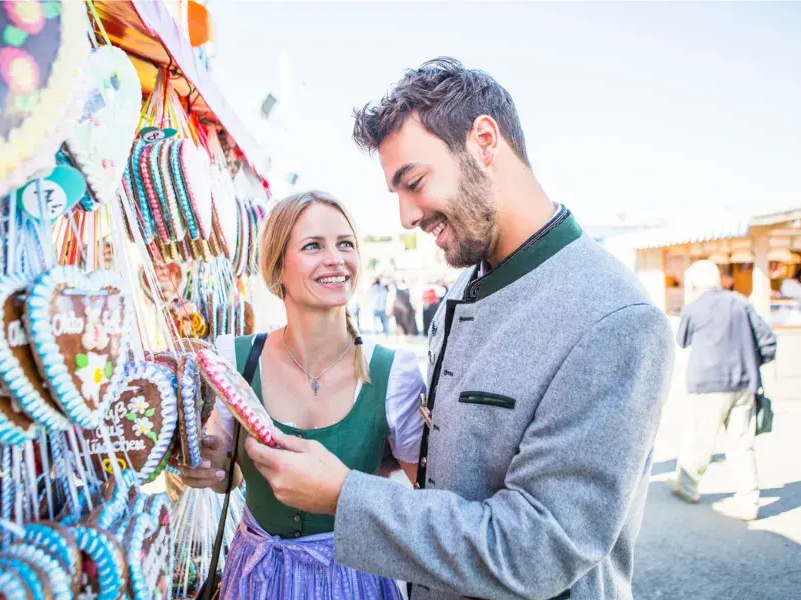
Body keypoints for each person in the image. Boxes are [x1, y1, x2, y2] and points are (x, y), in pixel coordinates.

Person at [242, 58, 674, 600]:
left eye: (414, 182)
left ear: (485, 142)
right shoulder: (461, 288)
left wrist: (344, 496)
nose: (404, 217)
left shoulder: (614, 319)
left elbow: (537, 549)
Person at [181, 191, 426, 598]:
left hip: (356, 578)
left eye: (345, 244)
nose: (335, 258)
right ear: (277, 268)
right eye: (313, 246)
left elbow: (428, 502)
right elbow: (228, 477)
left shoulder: (393, 373)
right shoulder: (235, 359)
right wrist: (208, 469)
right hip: (258, 578)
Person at [670, 260, 777, 521]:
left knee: (701, 438)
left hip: (708, 383)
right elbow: (768, 340)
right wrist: (753, 363)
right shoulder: (740, 302)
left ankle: (688, 487)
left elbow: (681, 340)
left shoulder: (694, 308)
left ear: (693, 284)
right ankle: (749, 501)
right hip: (744, 382)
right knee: (742, 443)